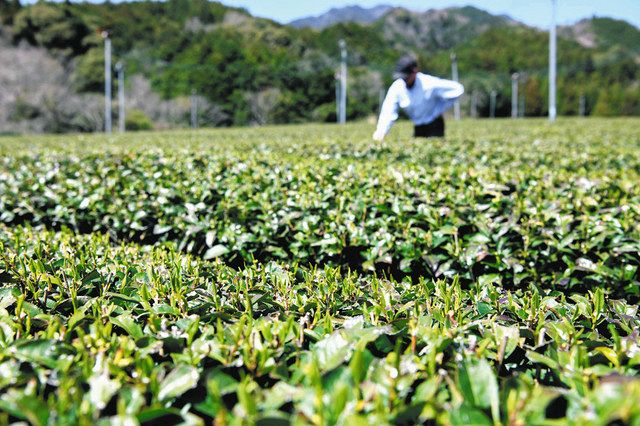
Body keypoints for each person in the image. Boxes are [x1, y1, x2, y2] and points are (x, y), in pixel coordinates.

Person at [373, 55, 464, 141]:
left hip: (435, 124)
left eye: (406, 77)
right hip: (418, 126)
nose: (404, 80)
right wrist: (381, 133)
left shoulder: (428, 83)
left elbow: (458, 89)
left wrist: (440, 107)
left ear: (414, 72)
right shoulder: (397, 87)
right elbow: (388, 111)